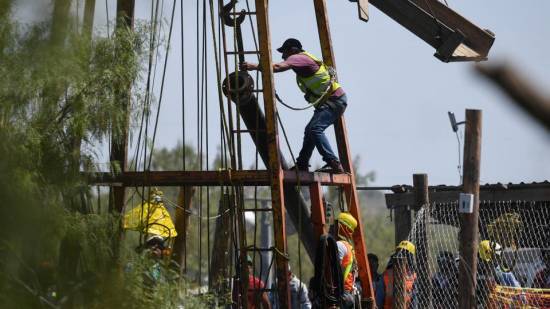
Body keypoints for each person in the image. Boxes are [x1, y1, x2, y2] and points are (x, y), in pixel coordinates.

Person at [240, 38, 347, 174]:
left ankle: (333, 163)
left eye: (284, 52)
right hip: (331, 101)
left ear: (293, 50)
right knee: (310, 130)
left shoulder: (298, 58)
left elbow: (277, 67)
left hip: (334, 100)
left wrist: (254, 66)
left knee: (315, 129)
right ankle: (302, 163)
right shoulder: (303, 60)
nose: (283, 56)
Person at [380, 241, 417, 309]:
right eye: (399, 252)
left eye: (404, 253)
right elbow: (379, 298)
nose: (400, 255)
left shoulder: (414, 277)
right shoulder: (387, 274)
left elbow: (415, 301)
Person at [335, 212, 360, 308]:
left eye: (337, 223)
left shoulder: (340, 245)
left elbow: (335, 271)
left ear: (343, 227)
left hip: (341, 295)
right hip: (348, 295)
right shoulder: (349, 247)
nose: (334, 226)